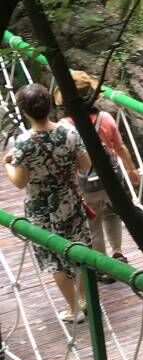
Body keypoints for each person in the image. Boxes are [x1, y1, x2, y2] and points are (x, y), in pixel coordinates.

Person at [3, 82, 92, 323]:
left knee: (54, 259)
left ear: (24, 110)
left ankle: (74, 309)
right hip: (70, 200)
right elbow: (86, 165)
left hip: (41, 209)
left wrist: (8, 165)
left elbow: (20, 182)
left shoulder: (23, 143)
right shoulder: (69, 131)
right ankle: (86, 300)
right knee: (79, 249)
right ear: (50, 104)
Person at [55, 70, 141, 271]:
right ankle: (118, 252)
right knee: (113, 215)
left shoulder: (63, 127)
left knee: (93, 223)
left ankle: (102, 265)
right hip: (111, 179)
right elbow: (120, 147)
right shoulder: (106, 118)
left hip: (85, 183)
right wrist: (131, 170)